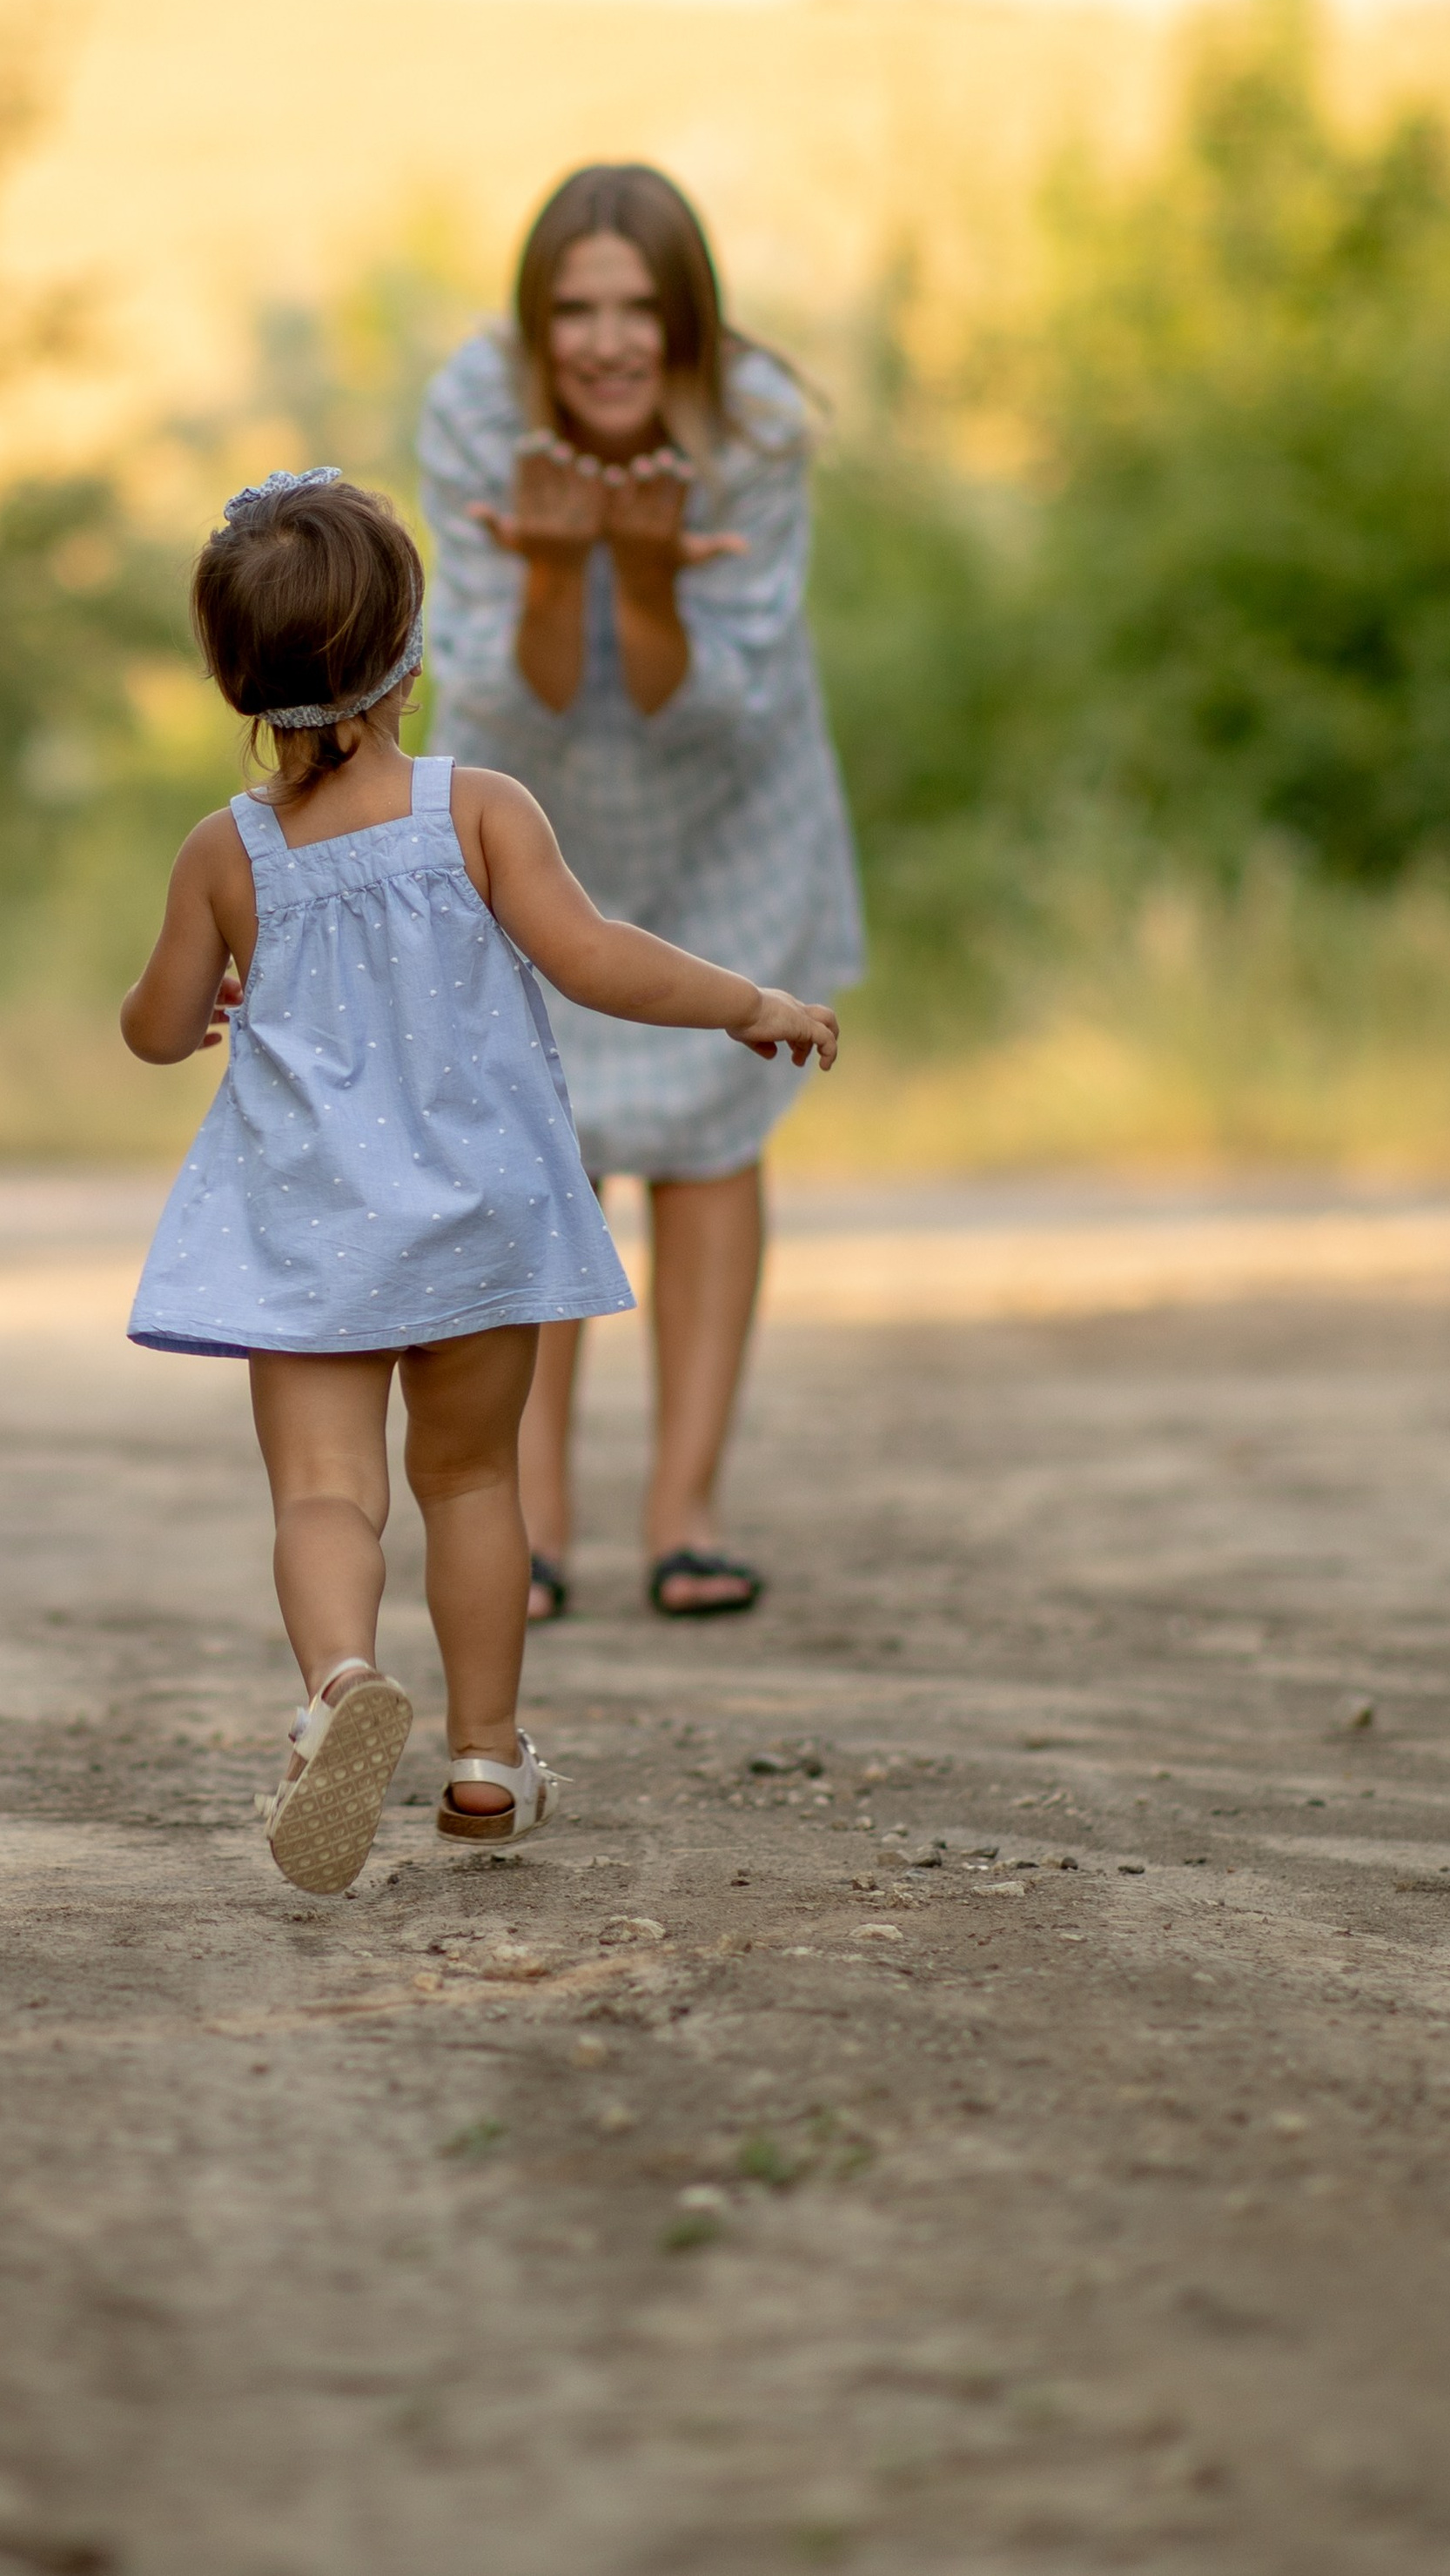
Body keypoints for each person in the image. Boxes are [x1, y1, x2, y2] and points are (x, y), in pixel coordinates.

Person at [118, 466, 838, 1897]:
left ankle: (340, 1685)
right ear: (412, 654)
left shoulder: (226, 853)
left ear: (233, 678)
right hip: (477, 1217)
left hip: (309, 1230)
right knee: (470, 1481)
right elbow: (596, 959)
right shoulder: (478, 811)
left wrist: (194, 1011)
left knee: (325, 1490)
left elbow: (154, 1027)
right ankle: (488, 1760)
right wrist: (747, 1000)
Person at [420, 164, 863, 1624]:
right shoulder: (473, 409)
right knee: (538, 1133)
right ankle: (535, 1524)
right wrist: (560, 571)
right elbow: (508, 695)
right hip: (533, 802)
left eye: (638, 310)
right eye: (574, 311)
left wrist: (653, 580)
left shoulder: (760, 424)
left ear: (690, 321)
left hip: (727, 799)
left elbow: (714, 704)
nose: (607, 343)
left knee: (708, 1134)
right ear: (532, 323)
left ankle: (685, 1516)